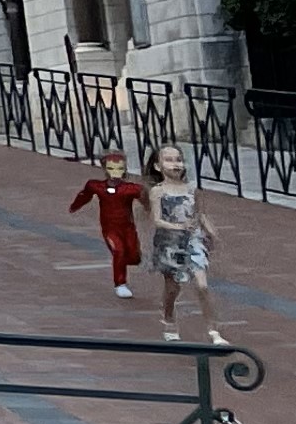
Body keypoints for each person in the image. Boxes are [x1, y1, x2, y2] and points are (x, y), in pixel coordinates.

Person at [144, 144, 226, 345]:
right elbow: (157, 220)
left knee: (202, 286)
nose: (176, 164)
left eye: (179, 160)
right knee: (173, 288)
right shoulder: (158, 191)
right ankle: (169, 318)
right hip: (170, 244)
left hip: (193, 240)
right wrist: (178, 226)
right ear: (158, 166)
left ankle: (213, 330)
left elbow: (200, 214)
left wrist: (210, 231)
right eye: (169, 160)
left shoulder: (191, 189)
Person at [69, 153, 148, 299]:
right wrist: (75, 206)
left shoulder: (131, 189)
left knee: (134, 257)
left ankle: (129, 260)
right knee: (119, 250)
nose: (115, 173)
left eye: (120, 169)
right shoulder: (96, 186)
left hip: (128, 227)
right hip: (110, 228)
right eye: (111, 168)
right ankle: (120, 284)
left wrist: (150, 210)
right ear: (105, 169)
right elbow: (84, 195)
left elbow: (146, 199)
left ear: (124, 169)